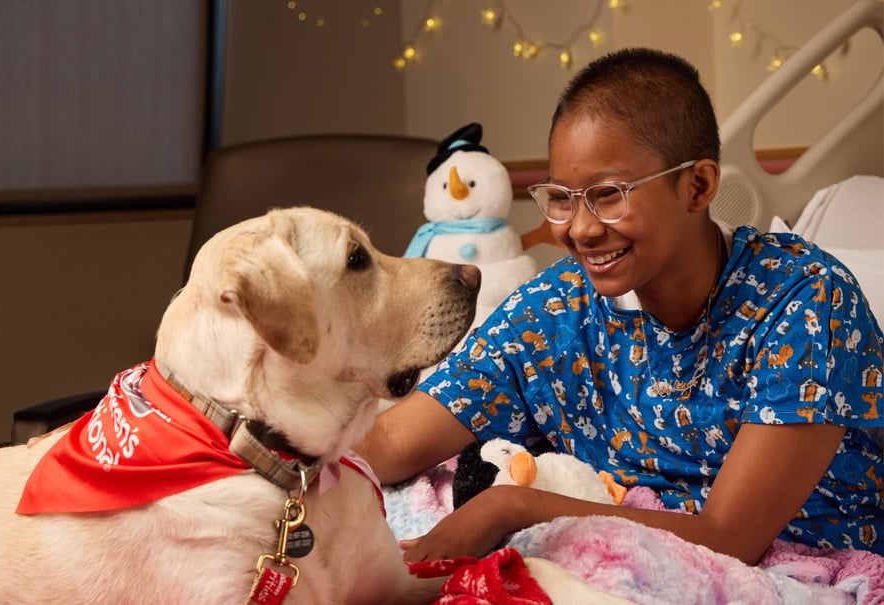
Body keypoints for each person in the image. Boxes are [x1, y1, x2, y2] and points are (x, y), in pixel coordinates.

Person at [355, 47, 884, 565]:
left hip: (803, 561)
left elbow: (730, 538)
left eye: (609, 194)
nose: (580, 229)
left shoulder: (805, 304)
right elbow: (393, 440)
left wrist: (514, 506)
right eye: (561, 197)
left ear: (697, 186)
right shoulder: (555, 310)